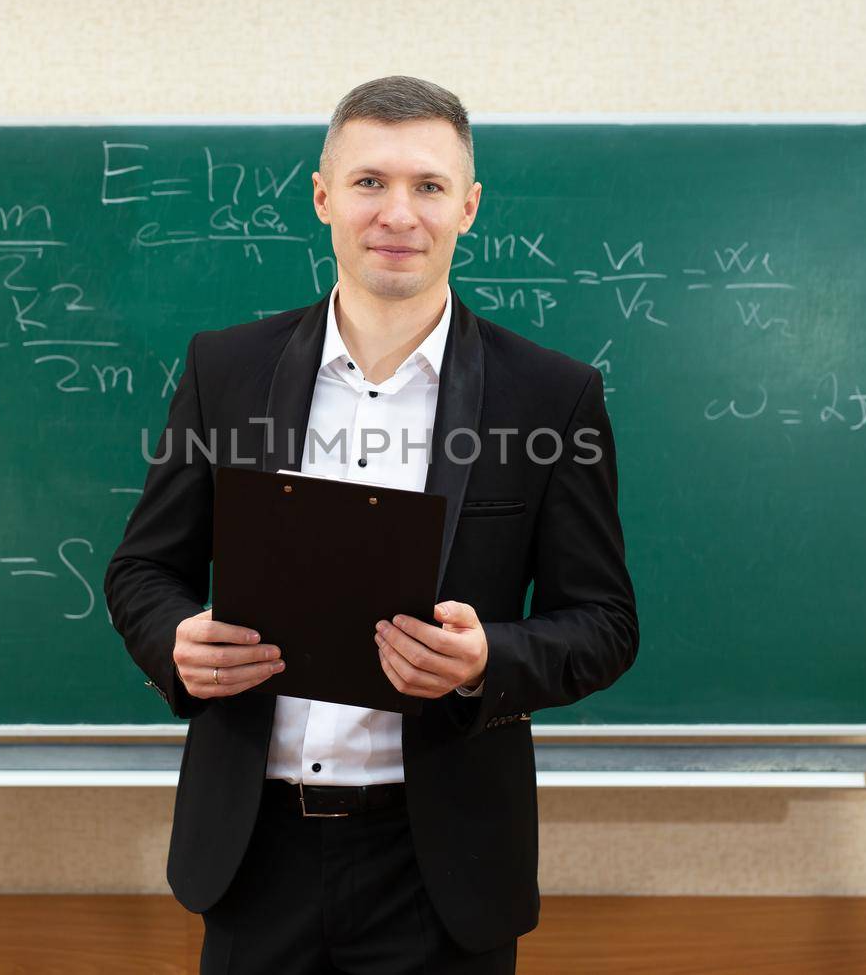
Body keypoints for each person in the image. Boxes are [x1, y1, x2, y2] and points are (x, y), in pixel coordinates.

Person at [104, 75, 638, 975]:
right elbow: (140, 572)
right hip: (252, 858)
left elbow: (605, 623)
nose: (399, 212)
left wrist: (486, 662)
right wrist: (176, 644)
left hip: (441, 869)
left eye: (429, 186)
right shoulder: (223, 368)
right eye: (369, 182)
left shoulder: (553, 394)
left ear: (468, 208)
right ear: (323, 197)